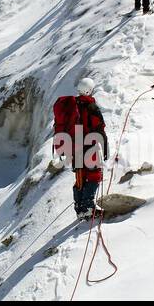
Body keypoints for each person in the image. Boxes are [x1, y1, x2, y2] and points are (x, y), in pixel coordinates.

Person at [52, 77, 110, 219]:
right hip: (88, 145)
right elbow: (99, 128)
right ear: (89, 90)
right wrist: (105, 146)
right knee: (94, 174)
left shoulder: (71, 105)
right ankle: (88, 207)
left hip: (73, 145)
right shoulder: (91, 106)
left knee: (80, 176)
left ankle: (79, 210)